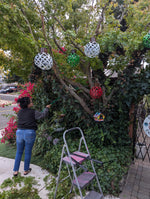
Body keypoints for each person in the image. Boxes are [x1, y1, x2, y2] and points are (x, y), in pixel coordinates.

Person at [13, 97, 51, 176]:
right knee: (27, 152)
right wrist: (47, 108)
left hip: (19, 132)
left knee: (19, 152)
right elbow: (43, 115)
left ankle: (15, 171)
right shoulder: (33, 112)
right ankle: (26, 170)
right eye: (31, 101)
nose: (32, 102)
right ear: (28, 104)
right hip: (29, 133)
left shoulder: (19, 112)